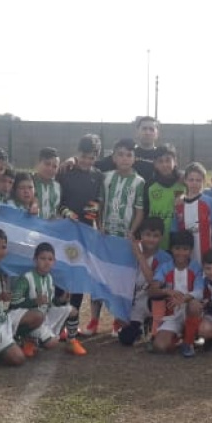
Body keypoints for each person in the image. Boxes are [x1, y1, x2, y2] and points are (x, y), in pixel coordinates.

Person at [82, 137, 146, 335]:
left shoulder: (139, 182)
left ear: (134, 158)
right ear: (114, 158)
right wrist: (99, 225)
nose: (125, 158)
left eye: (129, 155)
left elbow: (139, 211)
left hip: (124, 240)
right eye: (120, 154)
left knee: (122, 281)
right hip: (105, 236)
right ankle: (94, 320)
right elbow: (98, 204)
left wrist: (132, 231)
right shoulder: (106, 177)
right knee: (98, 277)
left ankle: (118, 320)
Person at [55, 134, 104, 354]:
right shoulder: (65, 171)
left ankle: (72, 331)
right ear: (78, 153)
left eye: (91, 157)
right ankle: (58, 326)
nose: (87, 161)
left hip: (84, 235)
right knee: (60, 278)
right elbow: (57, 200)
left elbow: (97, 201)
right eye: (83, 156)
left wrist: (91, 216)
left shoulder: (97, 175)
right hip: (63, 233)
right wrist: (66, 213)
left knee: (78, 278)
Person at [0, 228, 44, 366]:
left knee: (38, 316)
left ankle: (11, 340)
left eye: (3, 247)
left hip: (1, 319)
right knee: (18, 359)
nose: (0, 251)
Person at [11, 243, 75, 356]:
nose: (46, 262)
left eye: (50, 259)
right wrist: (34, 302)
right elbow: (13, 304)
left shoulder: (49, 278)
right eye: (43, 258)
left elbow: (49, 303)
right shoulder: (26, 278)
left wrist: (61, 300)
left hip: (44, 316)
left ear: (54, 262)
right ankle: (24, 338)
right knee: (51, 343)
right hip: (30, 319)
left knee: (72, 310)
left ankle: (72, 341)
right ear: (35, 260)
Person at [118, 217, 172, 346]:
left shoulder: (164, 258)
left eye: (155, 236)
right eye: (147, 235)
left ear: (161, 237)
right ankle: (141, 326)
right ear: (141, 234)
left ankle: (154, 323)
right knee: (126, 338)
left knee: (155, 293)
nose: (151, 239)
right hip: (135, 301)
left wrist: (139, 255)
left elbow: (153, 282)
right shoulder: (130, 250)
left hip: (154, 301)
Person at [150, 230, 203, 356]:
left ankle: (188, 343)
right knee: (159, 347)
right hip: (172, 316)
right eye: (177, 248)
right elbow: (152, 291)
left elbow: (199, 292)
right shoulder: (165, 267)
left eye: (185, 249)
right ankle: (179, 338)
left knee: (194, 305)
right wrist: (166, 291)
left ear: (191, 251)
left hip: (190, 312)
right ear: (171, 249)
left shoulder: (196, 267)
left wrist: (184, 298)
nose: (181, 253)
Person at [172, 161, 212, 267]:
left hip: (206, 254)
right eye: (191, 180)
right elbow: (174, 230)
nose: (194, 183)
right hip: (185, 256)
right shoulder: (179, 203)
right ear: (185, 180)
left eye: (198, 180)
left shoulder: (209, 201)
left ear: (204, 181)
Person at [142, 144, 184, 249]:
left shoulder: (184, 183)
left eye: (168, 160)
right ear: (155, 164)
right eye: (160, 161)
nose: (164, 165)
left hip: (179, 240)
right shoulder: (149, 185)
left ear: (175, 161)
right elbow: (145, 212)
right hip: (155, 240)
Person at [96, 115, 157, 180]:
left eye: (151, 129)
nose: (147, 132)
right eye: (144, 129)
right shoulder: (127, 152)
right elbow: (97, 166)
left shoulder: (161, 157)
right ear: (137, 132)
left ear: (157, 133)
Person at [33, 147, 61, 220]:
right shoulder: (28, 182)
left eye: (54, 166)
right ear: (38, 163)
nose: (50, 169)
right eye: (47, 164)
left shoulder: (58, 187)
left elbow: (57, 209)